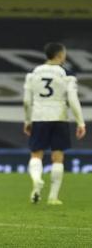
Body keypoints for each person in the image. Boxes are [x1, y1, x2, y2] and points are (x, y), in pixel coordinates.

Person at [23, 42, 86, 205]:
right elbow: (72, 99)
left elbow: (26, 101)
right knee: (58, 156)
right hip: (59, 117)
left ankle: (36, 180)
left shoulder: (33, 73)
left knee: (36, 154)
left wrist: (27, 120)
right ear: (60, 55)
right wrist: (80, 122)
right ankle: (53, 197)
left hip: (39, 116)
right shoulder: (66, 74)